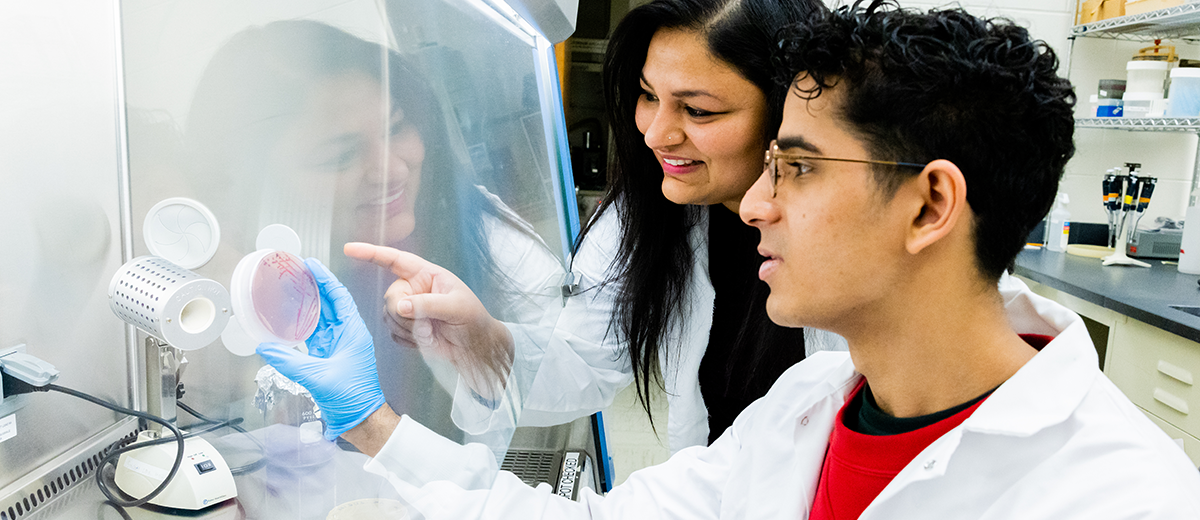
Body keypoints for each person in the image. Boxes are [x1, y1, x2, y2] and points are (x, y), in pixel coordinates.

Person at [260, 1, 1200, 517]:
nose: (754, 205)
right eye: (646, 98)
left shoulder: (1121, 494)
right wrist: (376, 419)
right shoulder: (795, 423)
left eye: (792, 165)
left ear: (929, 205)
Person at [347, 0, 846, 454]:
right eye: (649, 95)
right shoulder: (653, 209)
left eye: (698, 110)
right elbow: (586, 360)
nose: (655, 134)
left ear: (788, 109)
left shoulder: (853, 240)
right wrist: (483, 340)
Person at [183, 20, 563, 434]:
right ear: (250, 186)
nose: (392, 169)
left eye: (396, 128)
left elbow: (559, 388)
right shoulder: (227, 284)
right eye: (339, 155)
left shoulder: (482, 233)